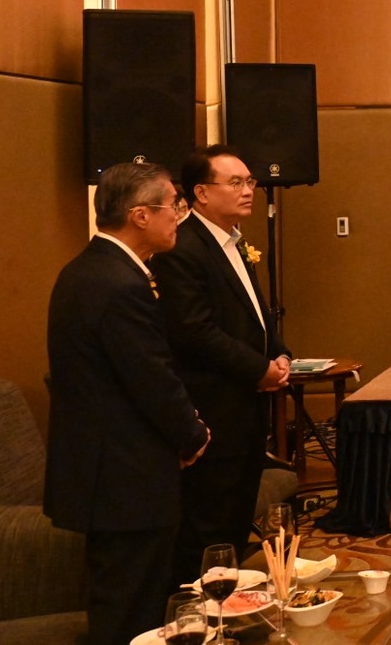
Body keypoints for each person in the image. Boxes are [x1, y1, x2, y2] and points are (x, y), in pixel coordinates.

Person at [44, 162, 211, 645]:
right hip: (125, 478)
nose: (178, 216)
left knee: (128, 601)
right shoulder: (118, 284)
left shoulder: (91, 269)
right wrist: (193, 434)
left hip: (112, 472)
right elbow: (151, 378)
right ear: (140, 216)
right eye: (173, 206)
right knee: (130, 611)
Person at [157, 144, 291, 585]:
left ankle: (230, 606)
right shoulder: (182, 247)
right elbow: (195, 331)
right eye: (235, 182)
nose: (248, 190)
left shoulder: (235, 240)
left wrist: (280, 353)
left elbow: (255, 313)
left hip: (246, 410)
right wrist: (258, 369)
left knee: (235, 523)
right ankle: (201, 610)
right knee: (209, 528)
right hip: (214, 410)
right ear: (201, 192)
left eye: (249, 181)